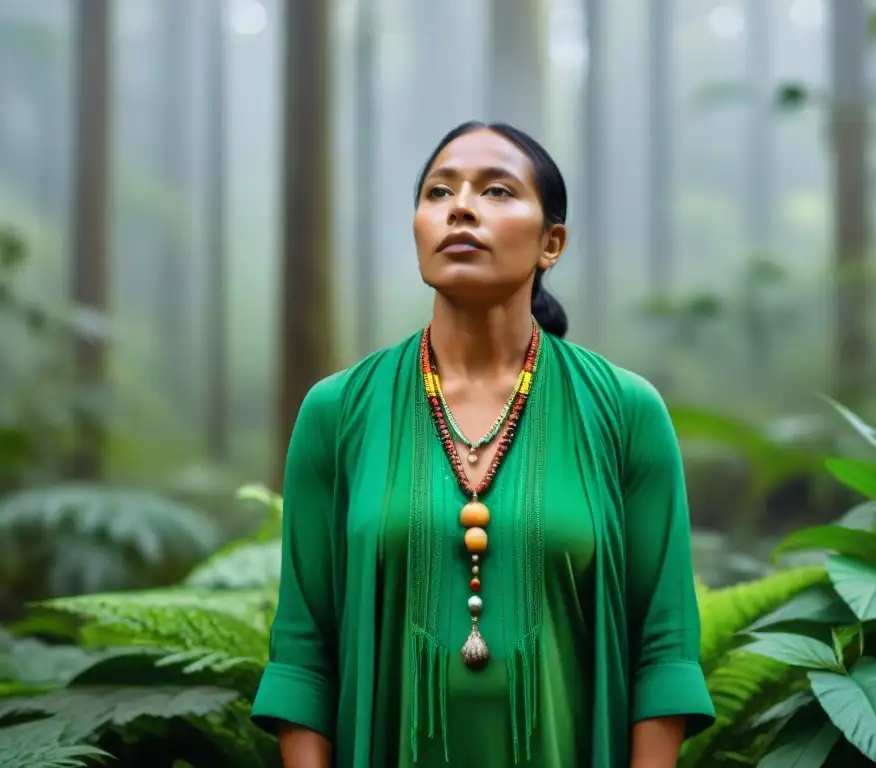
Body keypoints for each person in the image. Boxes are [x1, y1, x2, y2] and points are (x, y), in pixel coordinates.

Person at [250, 121, 716, 767]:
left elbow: (664, 649)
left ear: (551, 242)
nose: (460, 207)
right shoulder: (337, 411)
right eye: (439, 192)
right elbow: (304, 653)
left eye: (496, 191)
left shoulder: (625, 411)